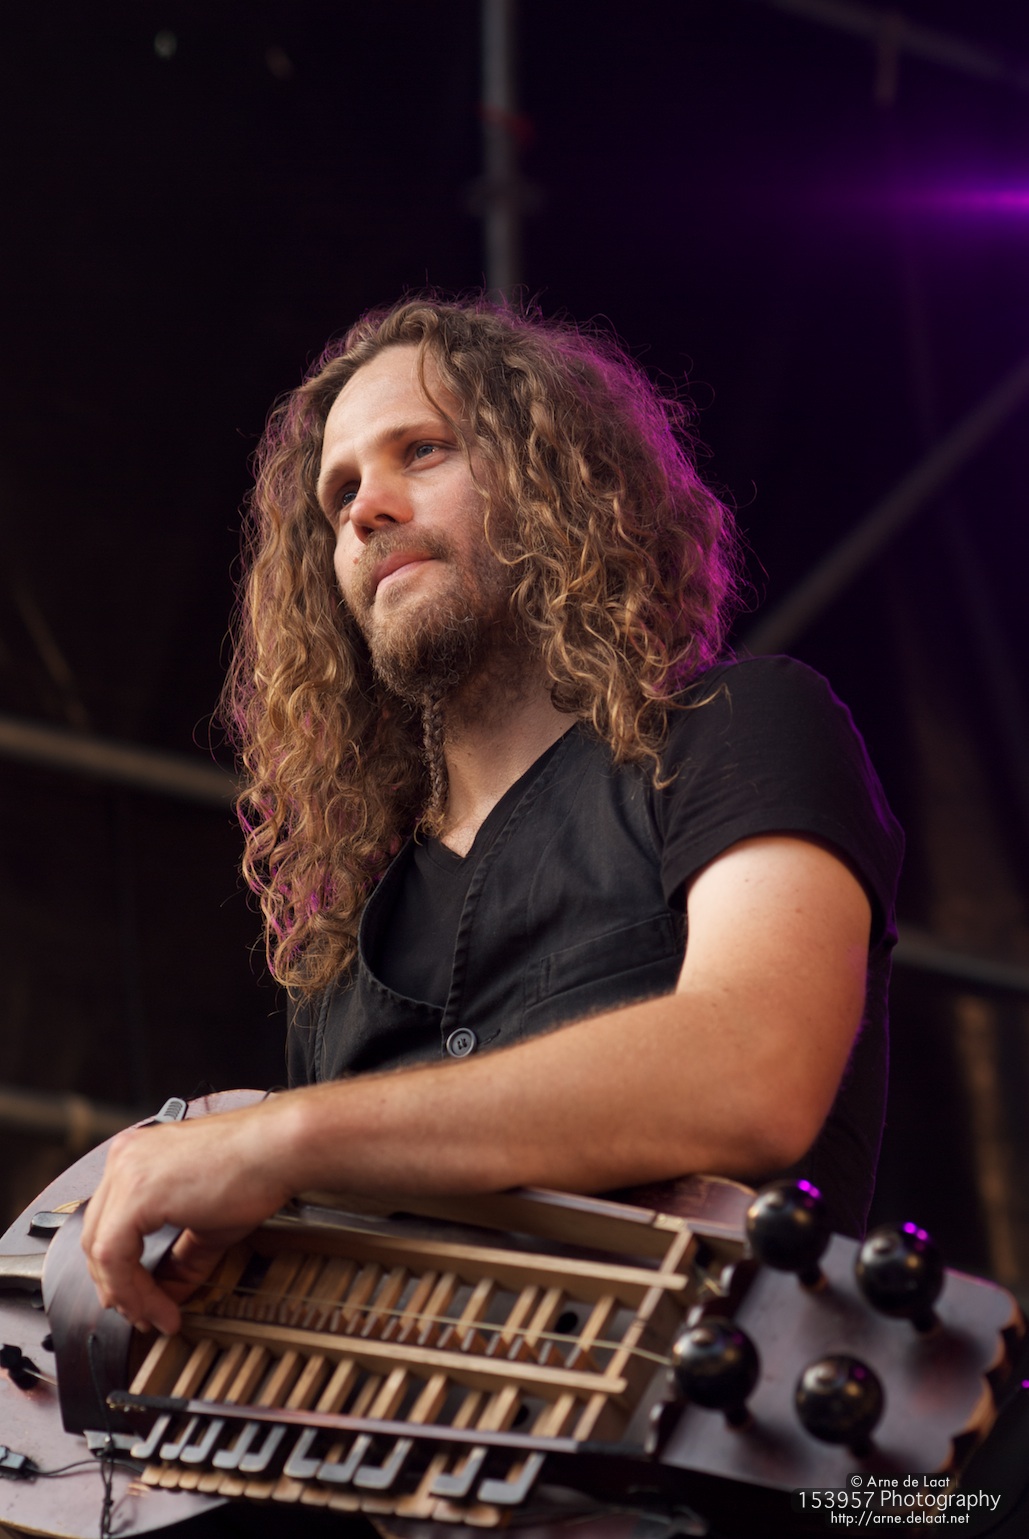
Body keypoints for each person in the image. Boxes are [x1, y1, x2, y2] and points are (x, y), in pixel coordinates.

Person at [80, 296, 902, 1532]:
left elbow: (754, 1069)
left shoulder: (741, 729)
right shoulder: (342, 952)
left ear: (557, 481)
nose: (365, 508)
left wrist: (280, 1140)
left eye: (423, 451)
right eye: (338, 495)